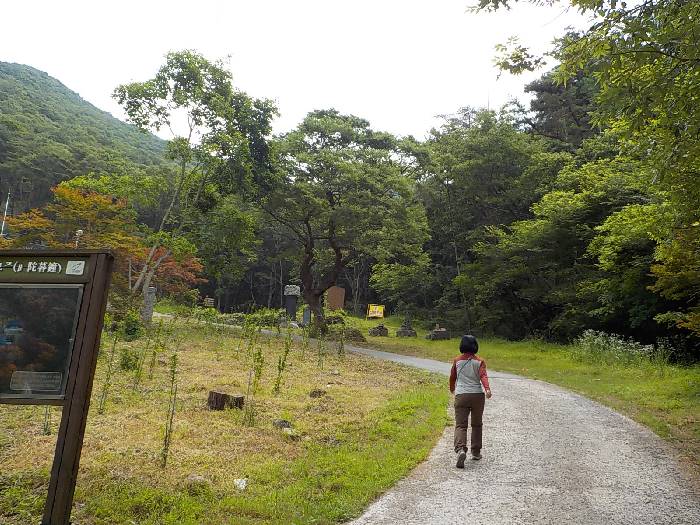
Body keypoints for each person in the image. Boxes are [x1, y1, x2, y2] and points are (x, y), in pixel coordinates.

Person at [449, 334, 492, 468]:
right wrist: (487, 389)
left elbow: (452, 377)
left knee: (461, 425)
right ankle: (476, 452)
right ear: (475, 346)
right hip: (477, 396)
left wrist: (452, 389)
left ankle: (461, 449)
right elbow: (483, 375)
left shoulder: (457, 361)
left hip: (462, 395)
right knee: (477, 424)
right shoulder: (479, 361)